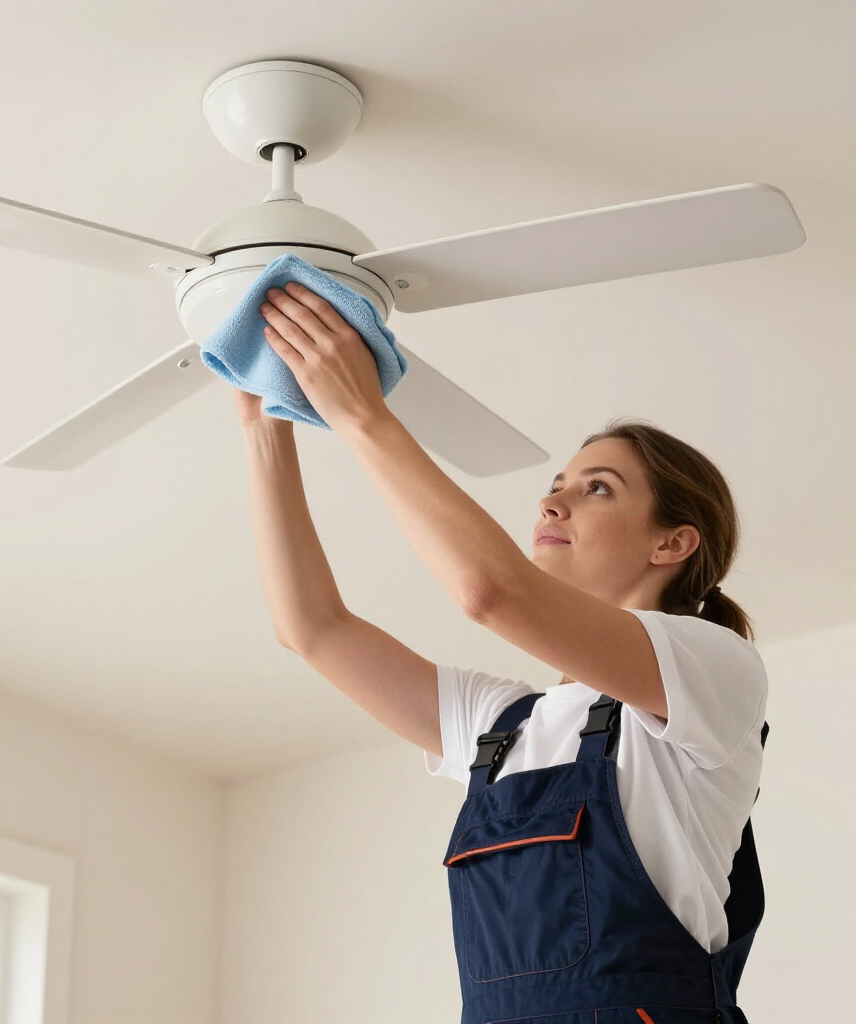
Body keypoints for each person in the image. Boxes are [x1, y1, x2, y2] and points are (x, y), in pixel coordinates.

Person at [234, 280, 768, 1024]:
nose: (552, 503)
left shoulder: (714, 670)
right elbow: (312, 628)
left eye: (598, 489)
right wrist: (266, 424)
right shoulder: (501, 726)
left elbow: (491, 592)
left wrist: (359, 413)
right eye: (556, 487)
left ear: (672, 543)